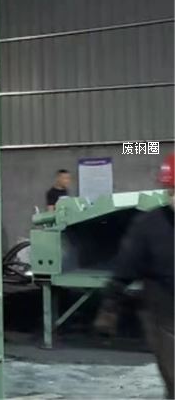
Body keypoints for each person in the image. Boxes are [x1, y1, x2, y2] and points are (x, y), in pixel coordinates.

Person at [95, 153, 175, 398]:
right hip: (165, 317)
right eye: (172, 191)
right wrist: (110, 306)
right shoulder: (150, 225)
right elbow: (125, 267)